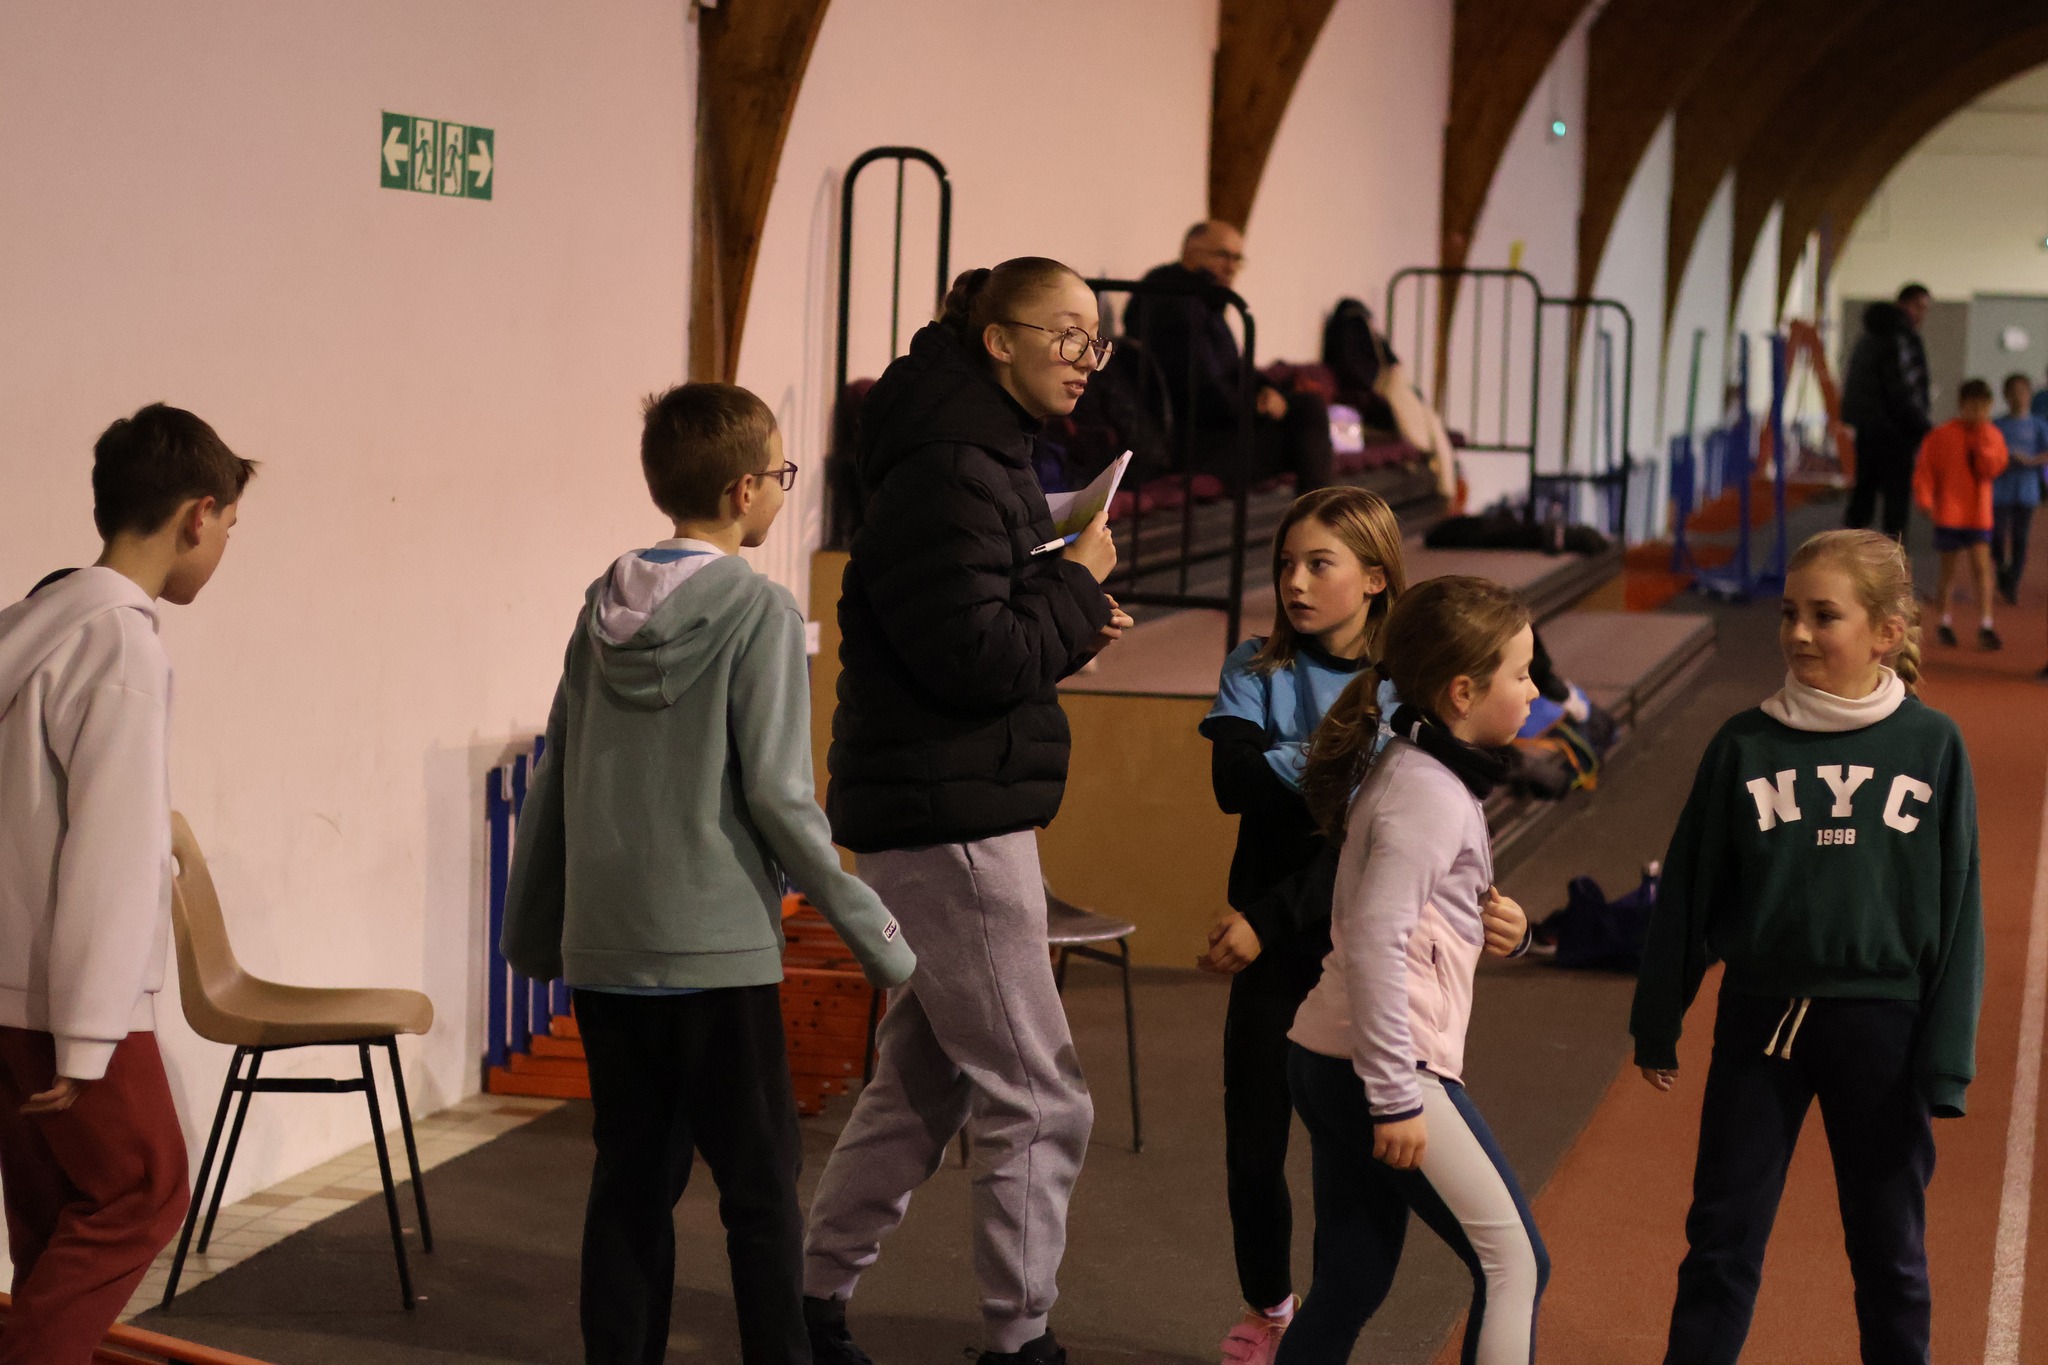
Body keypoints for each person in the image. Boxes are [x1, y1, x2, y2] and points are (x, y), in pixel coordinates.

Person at [499, 383, 919, 1365]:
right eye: (780, 473)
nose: (782, 488)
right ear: (742, 491)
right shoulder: (760, 610)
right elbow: (779, 796)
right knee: (760, 1194)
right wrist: (879, 935)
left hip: (608, 953)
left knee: (629, 1186)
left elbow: (557, 774)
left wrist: (536, 930)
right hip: (718, 954)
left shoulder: (597, 606)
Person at [804, 257, 1132, 1365]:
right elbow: (973, 657)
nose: (1086, 359)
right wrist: (1075, 581)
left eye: (1096, 340)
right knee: (1039, 1095)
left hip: (946, 794)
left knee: (924, 1081)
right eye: (1067, 334)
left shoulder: (975, 450)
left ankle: (809, 1299)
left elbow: (982, 636)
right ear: (997, 340)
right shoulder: (951, 464)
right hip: (946, 812)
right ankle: (1018, 1342)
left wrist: (1071, 606)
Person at [1631, 529, 1982, 1365]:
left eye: (1825, 615)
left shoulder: (1932, 745)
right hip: (1761, 1023)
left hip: (1884, 1032)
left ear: (1886, 632)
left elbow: (1960, 911)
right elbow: (1689, 890)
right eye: (1790, 612)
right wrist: (1659, 1015)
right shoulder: (1743, 745)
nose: (1797, 632)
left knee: (1890, 1252)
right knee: (1721, 1240)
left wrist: (1947, 1061)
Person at [0, 403, 254, 1365]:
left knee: (51, 1220)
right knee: (145, 1189)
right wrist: (90, 1034)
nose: (223, 547)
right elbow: (106, 853)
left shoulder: (27, 631)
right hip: (65, 997)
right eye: (230, 527)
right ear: (198, 515)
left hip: (5, 993)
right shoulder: (120, 647)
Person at [1278, 576, 1546, 1365]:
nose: (1535, 690)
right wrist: (1393, 1095)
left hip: (1331, 1057)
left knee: (1350, 1280)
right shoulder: (1427, 792)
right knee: (1515, 1265)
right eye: (1522, 673)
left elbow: (1414, 916)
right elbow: (1375, 939)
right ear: (1463, 692)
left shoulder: (1420, 770)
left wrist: (1509, 932)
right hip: (1381, 1068)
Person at [1194, 487, 1408, 1365]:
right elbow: (1232, 783)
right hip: (1265, 946)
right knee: (1252, 1148)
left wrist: (1269, 914)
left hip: (1352, 944)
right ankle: (1269, 1304)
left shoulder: (1401, 687)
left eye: (1320, 564)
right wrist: (1336, 757)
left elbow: (1360, 840)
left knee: (1344, 1154)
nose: (1296, 581)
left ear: (1375, 576)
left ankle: (1325, 1327)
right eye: (1287, 563)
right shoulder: (1257, 664)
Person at [1123, 221, 1333, 492]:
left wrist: (1268, 391)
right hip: (1193, 444)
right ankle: (1319, 510)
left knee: (1304, 411)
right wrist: (1257, 408)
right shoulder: (1174, 304)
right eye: (1223, 255)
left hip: (1218, 430)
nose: (1232, 267)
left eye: (1237, 259)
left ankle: (1318, 508)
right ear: (1190, 253)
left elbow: (1235, 368)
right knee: (1306, 418)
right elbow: (1201, 392)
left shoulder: (1203, 300)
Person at [1914, 378, 2009, 650]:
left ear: (1989, 407)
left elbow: (1993, 468)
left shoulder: (1992, 435)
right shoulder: (1941, 436)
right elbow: (1925, 470)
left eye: (1982, 407)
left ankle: (1986, 624)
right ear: (1961, 405)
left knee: (1982, 569)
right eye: (1971, 407)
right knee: (1948, 571)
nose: (1977, 413)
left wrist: (1982, 444)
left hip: (1978, 515)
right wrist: (1925, 500)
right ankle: (1944, 621)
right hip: (1949, 515)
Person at [1841, 284, 1934, 539]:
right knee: (1896, 503)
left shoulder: (1868, 336)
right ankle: (1893, 558)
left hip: (1868, 430)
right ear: (1904, 304)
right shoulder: (1899, 339)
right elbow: (1903, 389)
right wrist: (1922, 427)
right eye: (1919, 307)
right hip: (1896, 432)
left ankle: (1849, 554)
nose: (1921, 314)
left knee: (1863, 496)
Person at [1991, 372, 2048, 603]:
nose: (2018, 397)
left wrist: (2031, 461)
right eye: (2013, 392)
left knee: (2020, 537)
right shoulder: (1997, 425)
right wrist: (2004, 458)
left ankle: (2013, 581)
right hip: (2000, 489)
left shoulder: (2038, 425)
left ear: (2029, 394)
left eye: (2022, 392)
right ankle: (2001, 567)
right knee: (1996, 535)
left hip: (2027, 489)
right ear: (2006, 395)